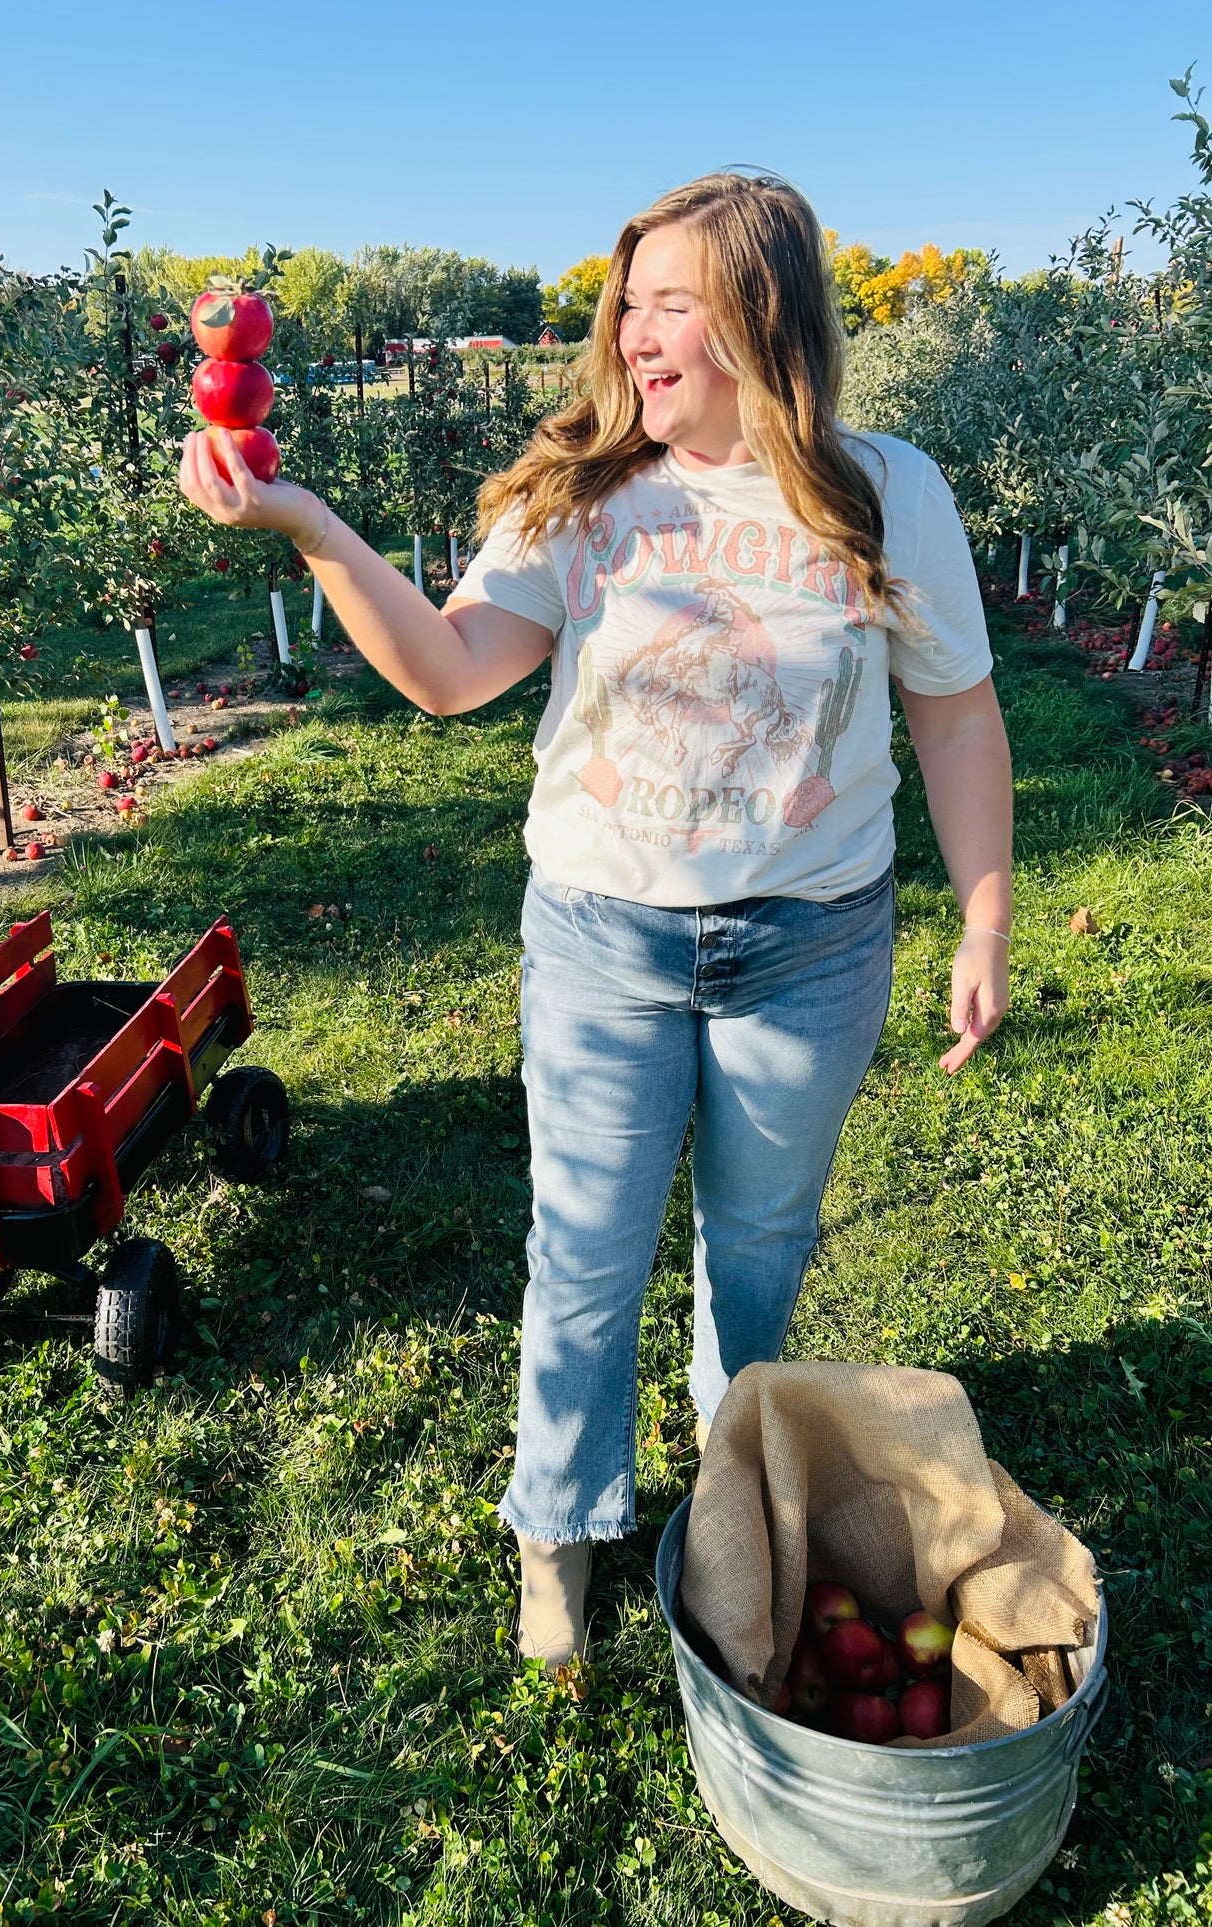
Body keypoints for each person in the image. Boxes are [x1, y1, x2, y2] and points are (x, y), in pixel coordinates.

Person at [178, 172, 1013, 1670]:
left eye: (671, 300)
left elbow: (952, 714)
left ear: (763, 314)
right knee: (583, 1256)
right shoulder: (579, 495)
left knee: (755, 1251)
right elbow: (444, 671)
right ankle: (557, 1528)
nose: (635, 332)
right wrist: (307, 522)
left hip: (810, 946)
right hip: (604, 944)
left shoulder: (886, 491)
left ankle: (729, 1508)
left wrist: (982, 915)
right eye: (628, 301)